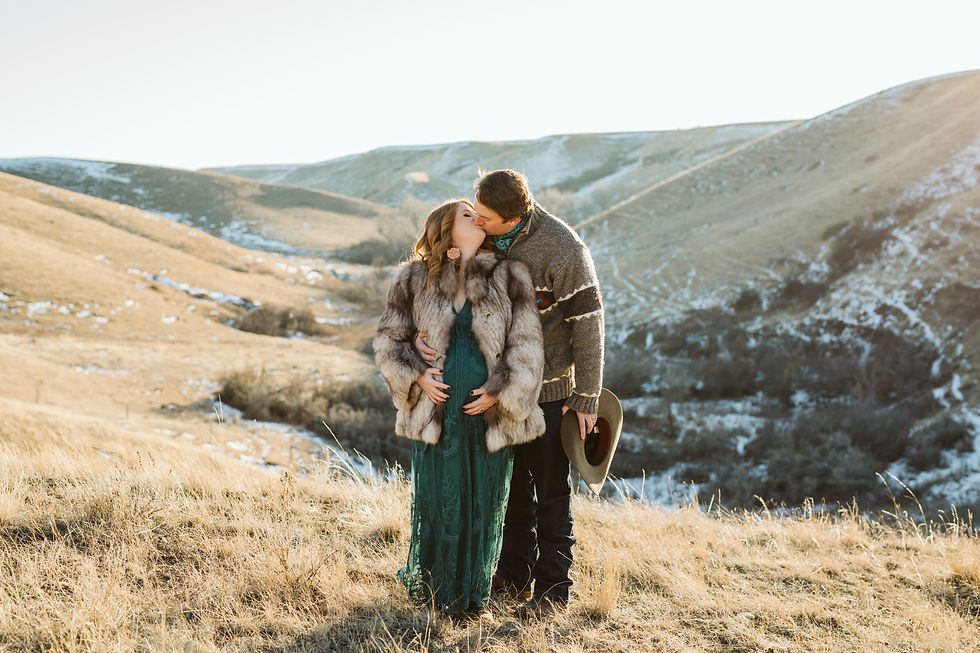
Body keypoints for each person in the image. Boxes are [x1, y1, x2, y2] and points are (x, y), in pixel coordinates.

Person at [417, 170, 605, 619]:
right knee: (513, 490)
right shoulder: (491, 244)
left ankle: (553, 590)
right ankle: (515, 573)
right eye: (474, 214)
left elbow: (590, 323)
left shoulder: (563, 248)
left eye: (485, 217)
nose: (478, 222)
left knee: (551, 493)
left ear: (512, 218)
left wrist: (587, 397)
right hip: (500, 389)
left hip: (550, 391)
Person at [374, 199, 546, 618]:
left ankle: (471, 596)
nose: (479, 218)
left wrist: (500, 390)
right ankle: (435, 592)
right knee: (440, 499)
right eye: (468, 215)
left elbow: (527, 346)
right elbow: (387, 341)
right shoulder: (413, 278)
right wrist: (417, 374)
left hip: (486, 415)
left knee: (483, 503)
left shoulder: (510, 275)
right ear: (447, 230)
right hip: (436, 414)